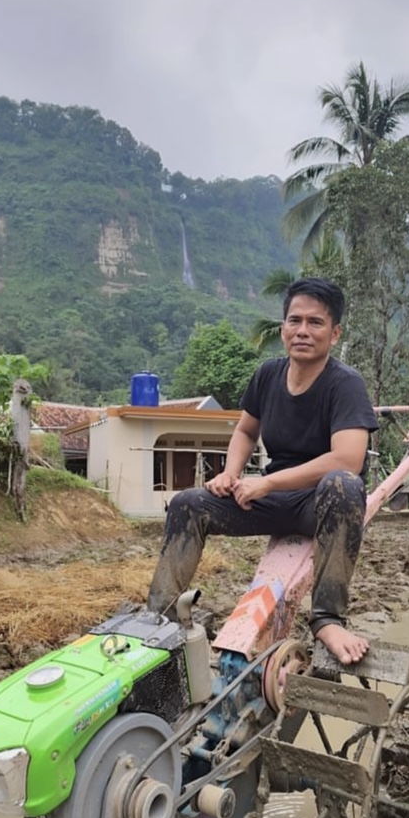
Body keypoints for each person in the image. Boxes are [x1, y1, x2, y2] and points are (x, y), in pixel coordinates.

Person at [147, 276, 379, 665]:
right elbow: (245, 429)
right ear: (283, 327)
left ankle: (327, 618)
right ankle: (159, 614)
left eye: (315, 323)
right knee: (188, 503)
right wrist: (230, 473)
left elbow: (347, 459)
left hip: (320, 504)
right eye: (294, 320)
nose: (303, 331)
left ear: (335, 333)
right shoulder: (268, 375)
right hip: (272, 499)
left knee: (343, 485)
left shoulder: (345, 385)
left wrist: (266, 481)